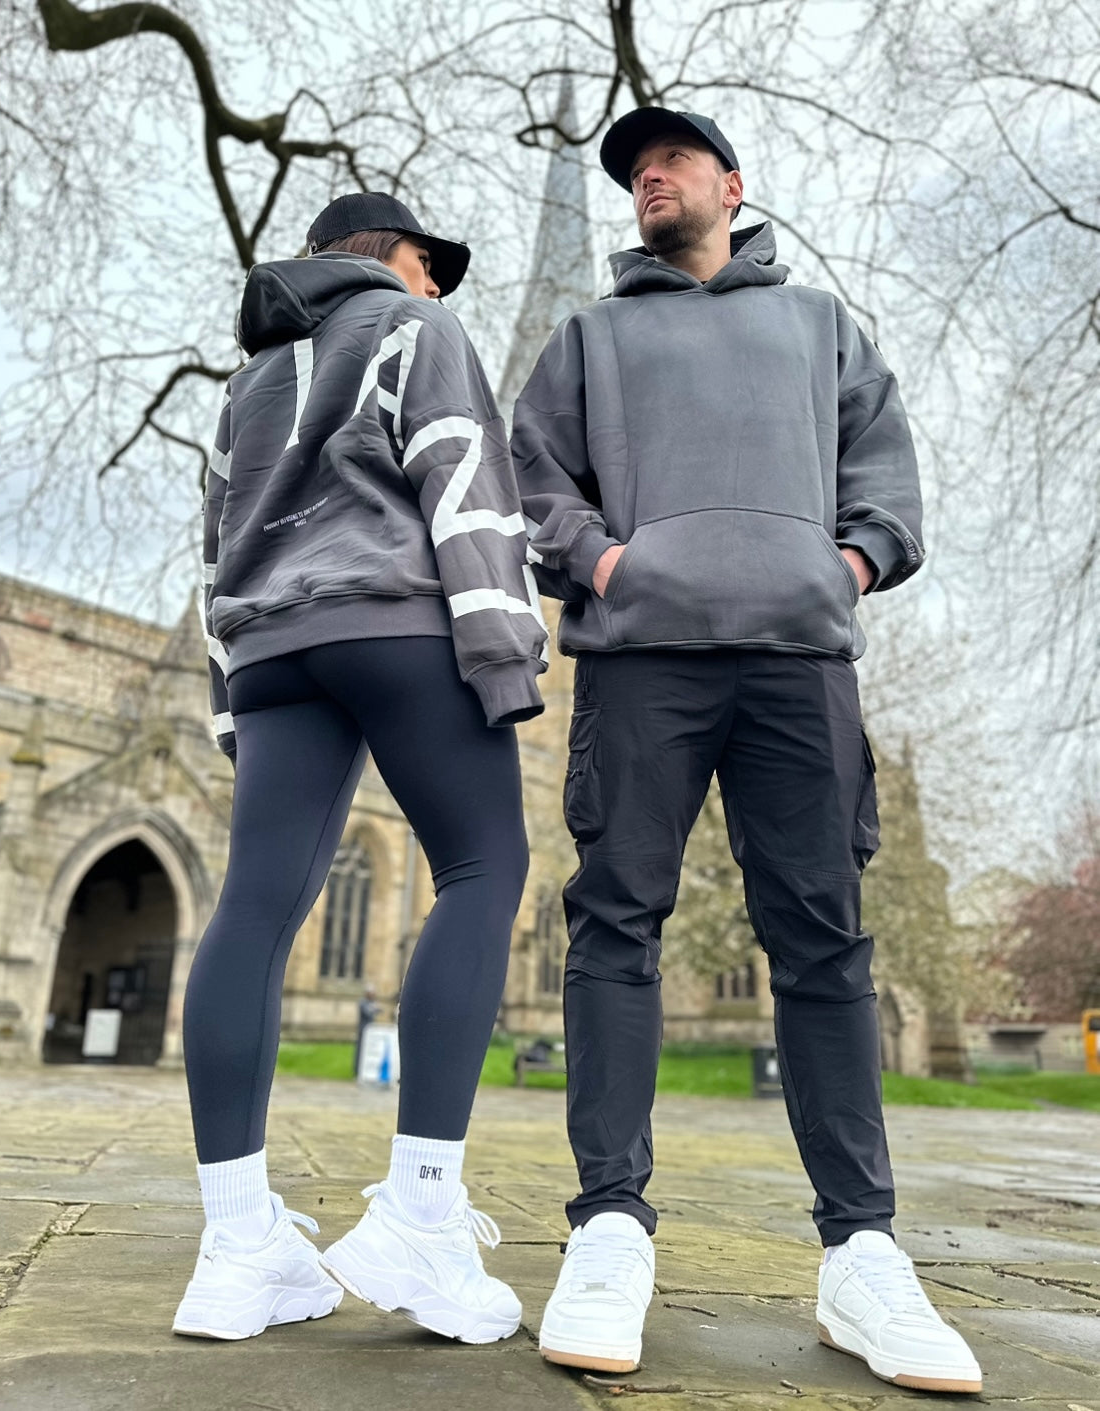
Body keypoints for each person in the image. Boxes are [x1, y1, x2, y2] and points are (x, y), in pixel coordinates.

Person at [512, 109, 983, 1394]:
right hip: (639, 661)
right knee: (615, 921)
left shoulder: (821, 326)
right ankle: (610, 1221)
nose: (648, 177)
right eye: (632, 170)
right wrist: (609, 561)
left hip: (798, 665)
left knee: (823, 934)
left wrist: (839, 564)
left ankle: (862, 1254)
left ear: (732, 183)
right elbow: (532, 478)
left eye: (670, 160)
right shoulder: (590, 338)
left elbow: (887, 474)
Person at [173, 192, 547, 1346]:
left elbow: (216, 541)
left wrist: (235, 698)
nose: (439, 286)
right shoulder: (412, 330)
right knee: (485, 866)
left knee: (251, 908)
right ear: (393, 258)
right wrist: (503, 648)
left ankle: (237, 1245)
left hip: (275, 645)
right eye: (432, 265)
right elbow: (462, 478)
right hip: (395, 621)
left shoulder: (252, 381)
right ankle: (422, 1215)